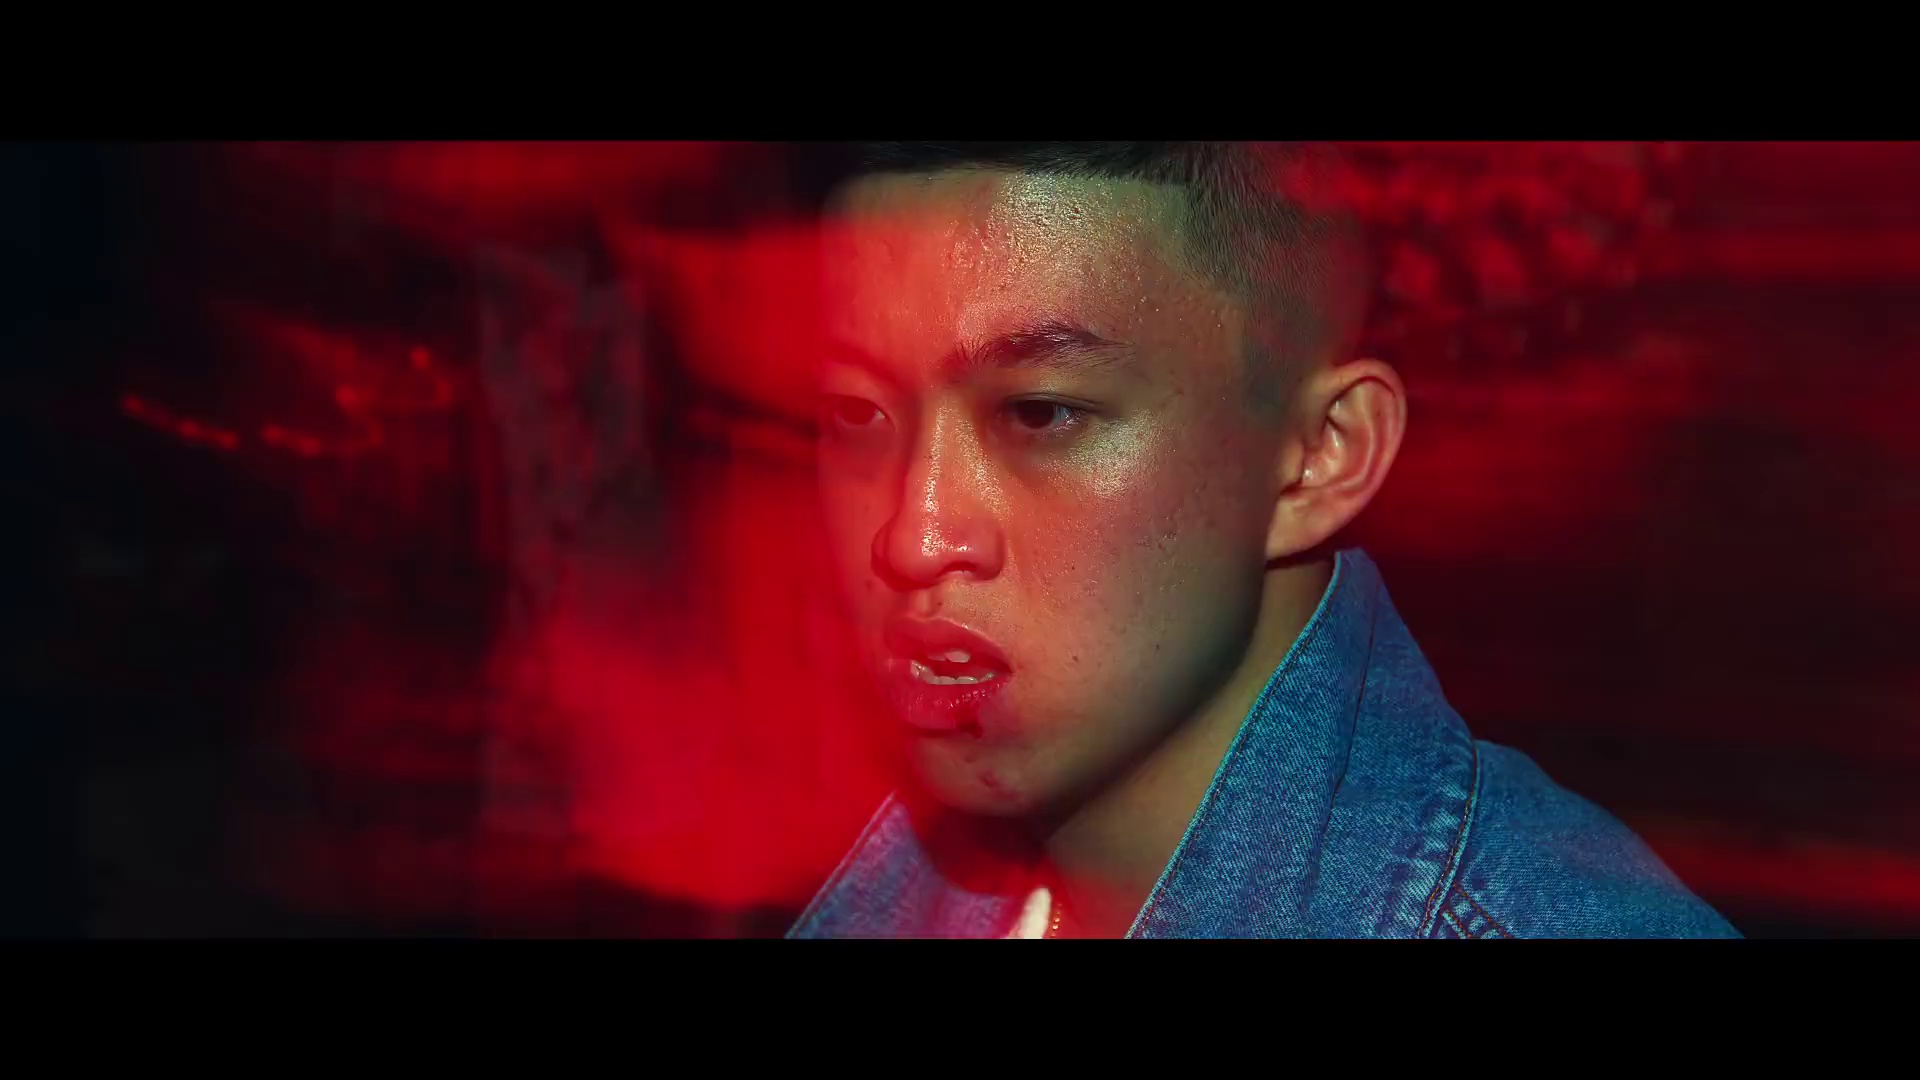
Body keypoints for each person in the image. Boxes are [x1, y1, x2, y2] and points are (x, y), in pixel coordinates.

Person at [787, 142, 1737, 939]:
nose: (913, 537)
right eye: (858, 414)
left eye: (1040, 413)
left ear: (1319, 455)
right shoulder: (876, 874)